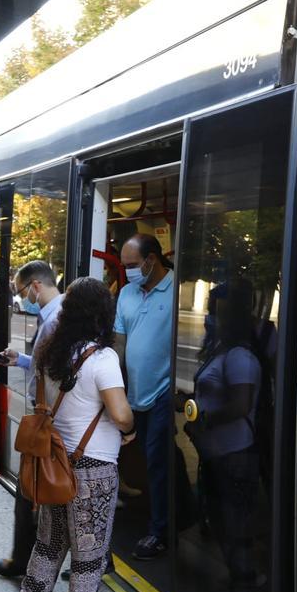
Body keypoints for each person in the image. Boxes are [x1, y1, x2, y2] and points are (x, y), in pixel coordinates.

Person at [11, 277, 134, 592]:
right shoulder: (102, 357)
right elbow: (120, 414)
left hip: (54, 463)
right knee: (89, 549)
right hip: (93, 469)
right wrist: (129, 429)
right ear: (102, 314)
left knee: (50, 540)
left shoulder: (51, 353)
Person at [187, 288, 266, 592]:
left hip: (234, 456)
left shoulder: (240, 357)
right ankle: (244, 576)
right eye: (209, 310)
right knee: (225, 522)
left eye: (216, 312)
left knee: (232, 524)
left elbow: (241, 404)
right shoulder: (223, 351)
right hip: (220, 455)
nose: (209, 318)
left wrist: (204, 419)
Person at [0, 261, 64, 578]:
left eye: (21, 291)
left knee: (30, 489)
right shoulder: (54, 316)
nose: (21, 299)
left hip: (47, 418)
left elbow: (56, 372)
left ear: (35, 285)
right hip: (48, 415)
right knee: (36, 490)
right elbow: (46, 365)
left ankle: (24, 560)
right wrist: (21, 360)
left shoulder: (54, 320)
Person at [115, 233, 179, 560]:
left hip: (164, 391)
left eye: (132, 265)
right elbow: (120, 344)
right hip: (133, 393)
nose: (127, 272)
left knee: (156, 459)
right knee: (149, 459)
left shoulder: (176, 291)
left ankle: (160, 531)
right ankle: (184, 510)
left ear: (151, 260)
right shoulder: (126, 293)